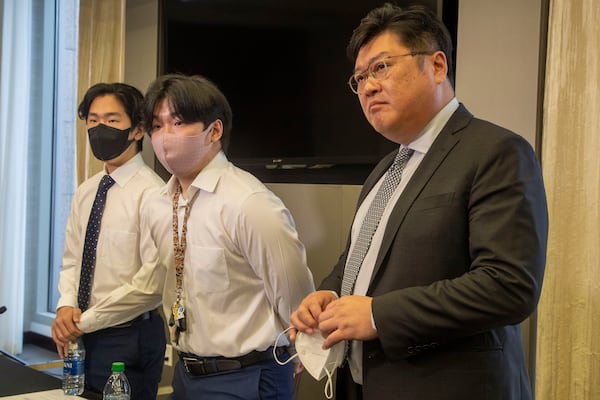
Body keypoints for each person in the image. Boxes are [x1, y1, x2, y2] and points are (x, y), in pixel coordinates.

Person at [290, 4, 548, 400]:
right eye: (359, 78)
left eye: (381, 67)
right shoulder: (384, 170)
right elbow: (357, 261)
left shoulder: (496, 151)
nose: (368, 87)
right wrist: (327, 295)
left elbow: (509, 286)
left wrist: (378, 315)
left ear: (438, 66)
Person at [51, 82, 167, 398]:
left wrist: (82, 322)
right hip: (81, 333)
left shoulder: (154, 194)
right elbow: (73, 259)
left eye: (112, 121)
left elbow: (151, 285)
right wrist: (65, 308)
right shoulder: (88, 190)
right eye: (93, 120)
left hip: (129, 335)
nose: (100, 128)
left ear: (138, 129)